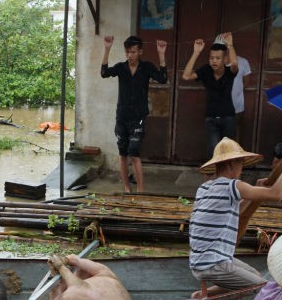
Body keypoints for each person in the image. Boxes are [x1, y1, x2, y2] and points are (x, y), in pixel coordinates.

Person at [189, 137, 282, 299]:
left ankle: (201, 295)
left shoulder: (204, 188)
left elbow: (236, 213)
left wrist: (257, 189)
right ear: (232, 164)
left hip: (200, 261)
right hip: (214, 264)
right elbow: (277, 193)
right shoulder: (233, 186)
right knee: (267, 290)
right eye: (241, 164)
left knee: (255, 274)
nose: (242, 169)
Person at [101, 35, 168, 193]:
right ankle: (126, 187)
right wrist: (107, 49)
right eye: (127, 52)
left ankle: (140, 189)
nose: (129, 55)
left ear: (140, 52)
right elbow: (104, 73)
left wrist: (161, 54)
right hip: (122, 116)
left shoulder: (146, 68)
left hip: (138, 117)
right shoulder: (121, 67)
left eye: (133, 52)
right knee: (123, 154)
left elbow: (163, 79)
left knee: (134, 152)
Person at [182, 33, 239, 153]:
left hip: (228, 117)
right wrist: (196, 52)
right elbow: (186, 76)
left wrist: (230, 45)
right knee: (213, 152)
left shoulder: (230, 72)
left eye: (218, 58)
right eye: (211, 58)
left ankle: (228, 172)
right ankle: (213, 173)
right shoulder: (206, 70)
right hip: (211, 118)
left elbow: (234, 63)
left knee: (229, 153)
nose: (214, 61)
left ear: (224, 59)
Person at [47, 254, 132, 300]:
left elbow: (77, 286)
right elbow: (77, 261)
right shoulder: (107, 273)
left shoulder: (78, 290)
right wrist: (70, 260)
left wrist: (61, 267)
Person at [213, 35, 252, 147]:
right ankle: (219, 159)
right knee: (218, 132)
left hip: (237, 105)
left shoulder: (243, 62)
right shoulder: (214, 63)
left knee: (235, 132)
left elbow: (245, 82)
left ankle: (235, 159)